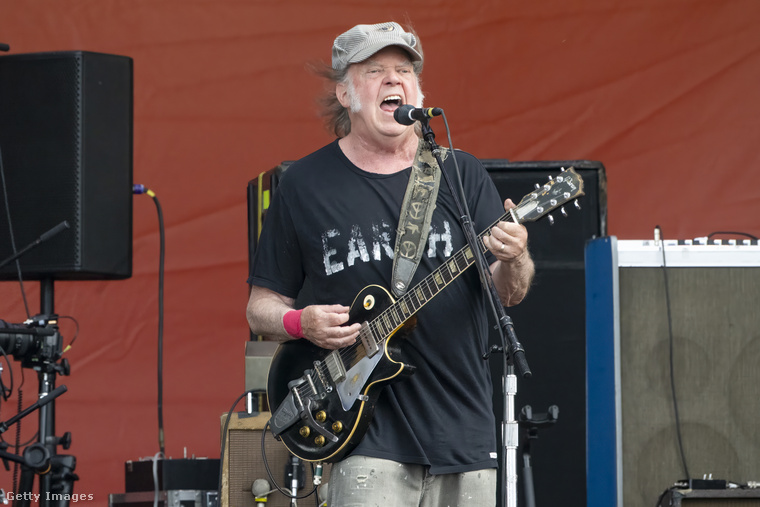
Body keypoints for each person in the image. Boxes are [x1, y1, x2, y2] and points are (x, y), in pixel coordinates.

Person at [246, 21, 535, 506]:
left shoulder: (459, 173)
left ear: (419, 92)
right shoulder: (304, 184)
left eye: (404, 70)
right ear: (345, 93)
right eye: (375, 70)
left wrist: (516, 254)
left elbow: (507, 292)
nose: (393, 79)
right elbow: (261, 308)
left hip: (465, 434)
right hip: (365, 437)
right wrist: (302, 322)